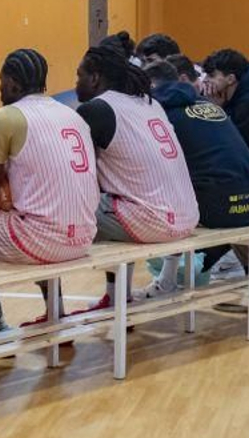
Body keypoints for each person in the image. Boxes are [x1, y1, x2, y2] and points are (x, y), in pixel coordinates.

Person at [0, 49, 99, 342]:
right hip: (84, 236)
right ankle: (55, 314)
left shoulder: (5, 118)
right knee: (43, 212)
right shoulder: (71, 115)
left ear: (12, 83)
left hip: (44, 240)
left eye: (1, 82)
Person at [69, 43, 199, 313]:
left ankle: (53, 313)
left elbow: (78, 176)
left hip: (153, 220)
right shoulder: (150, 103)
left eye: (79, 75)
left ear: (94, 78)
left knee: (66, 213)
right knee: (119, 198)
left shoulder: (96, 110)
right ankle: (116, 295)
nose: (76, 83)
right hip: (188, 214)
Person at [138, 58, 249, 300]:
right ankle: (240, 274)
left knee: (152, 200)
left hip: (220, 208)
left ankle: (168, 279)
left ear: (151, 85)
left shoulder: (160, 113)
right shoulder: (210, 106)